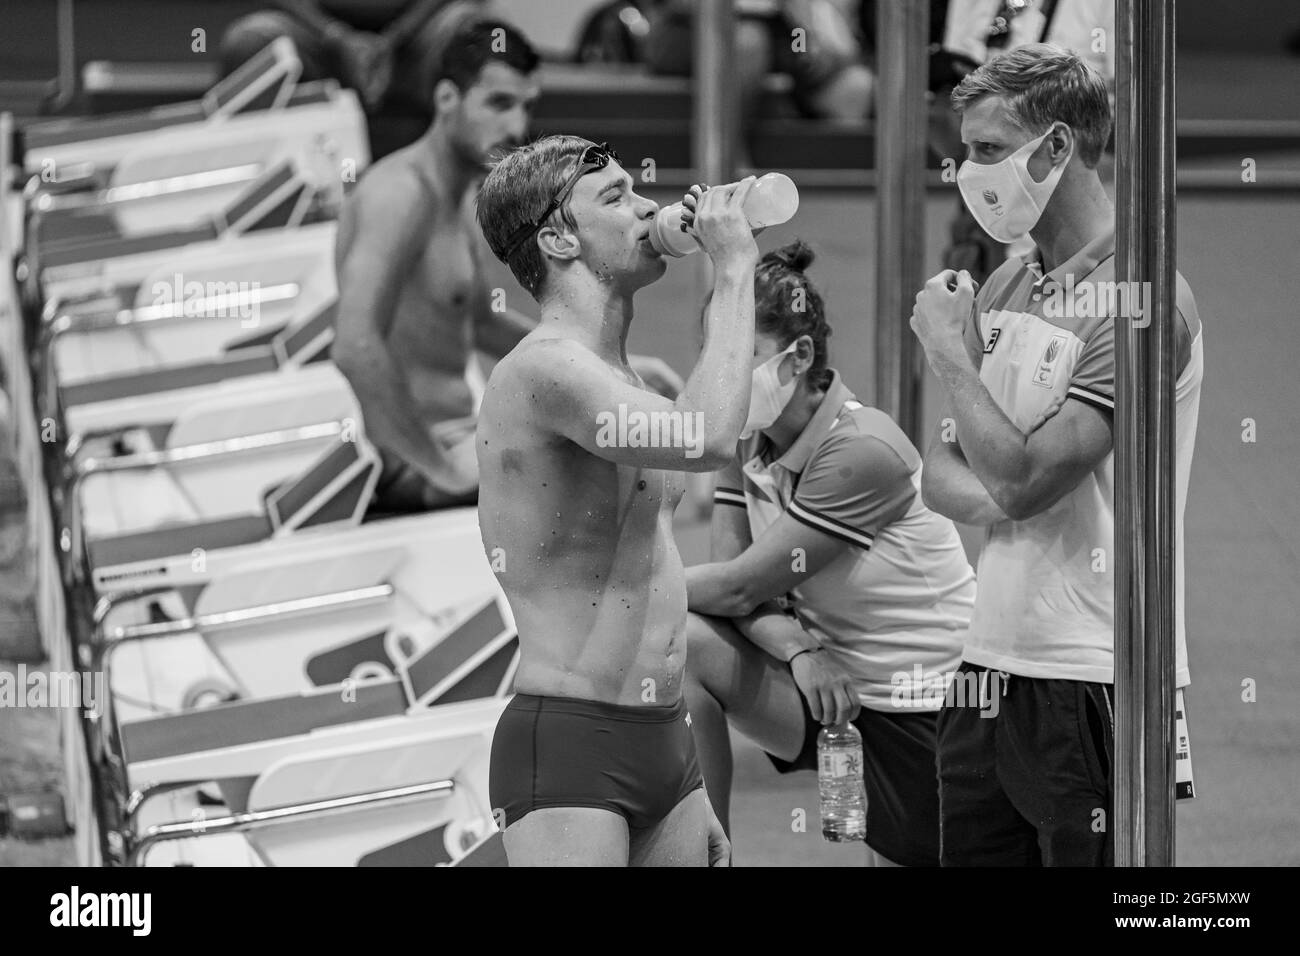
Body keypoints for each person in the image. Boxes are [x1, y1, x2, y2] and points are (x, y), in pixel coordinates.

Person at [910, 44, 1204, 866]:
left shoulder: (1142, 300)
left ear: (1059, 148)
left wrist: (953, 360)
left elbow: (1024, 476)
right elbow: (942, 475)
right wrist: (1006, 481)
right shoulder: (1008, 285)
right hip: (985, 663)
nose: (968, 172)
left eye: (988, 151)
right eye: (966, 150)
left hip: (1094, 668)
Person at [475, 137, 759, 866]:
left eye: (638, 191)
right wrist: (733, 270)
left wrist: (686, 777)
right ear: (558, 237)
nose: (647, 208)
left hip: (665, 741)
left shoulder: (628, 381)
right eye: (616, 197)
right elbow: (708, 440)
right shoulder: (545, 371)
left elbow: (649, 573)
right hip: (571, 745)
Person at [681, 240, 976, 867]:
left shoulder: (861, 451)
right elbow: (739, 596)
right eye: (712, 352)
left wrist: (607, 584)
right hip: (831, 691)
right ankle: (710, 858)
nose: (720, 370)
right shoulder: (745, 440)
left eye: (740, 353)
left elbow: (734, 586)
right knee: (686, 644)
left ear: (800, 358)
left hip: (925, 711)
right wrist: (800, 648)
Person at [331, 16, 682, 512]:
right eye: (498, 104)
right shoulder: (399, 195)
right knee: (610, 449)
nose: (516, 127)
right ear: (447, 98)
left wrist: (603, 366)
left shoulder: (464, 194)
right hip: (407, 463)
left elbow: (474, 321)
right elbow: (353, 344)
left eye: (525, 105)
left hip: (460, 433)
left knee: (614, 418)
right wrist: (440, 469)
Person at [218, 1, 482, 114]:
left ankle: (489, 200)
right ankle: (266, 190)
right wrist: (336, 37)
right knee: (249, 39)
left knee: (477, 29)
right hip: (316, 36)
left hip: (413, 42)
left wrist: (395, 38)